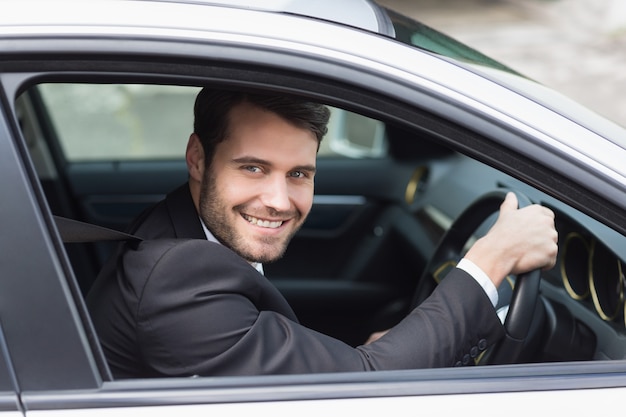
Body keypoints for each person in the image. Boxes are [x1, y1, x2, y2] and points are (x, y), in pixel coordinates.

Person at [86, 87, 558, 379]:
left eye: (299, 174)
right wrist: (492, 260)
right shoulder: (177, 277)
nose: (278, 199)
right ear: (198, 159)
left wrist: (374, 348)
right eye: (253, 168)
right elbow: (364, 387)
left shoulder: (177, 228)